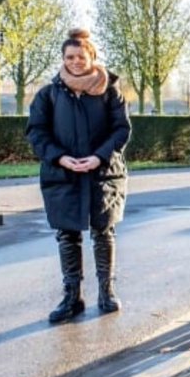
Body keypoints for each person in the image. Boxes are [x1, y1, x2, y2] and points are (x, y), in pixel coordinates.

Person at [27, 28, 132, 324]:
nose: (75, 61)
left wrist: (98, 156)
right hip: (63, 174)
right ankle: (72, 297)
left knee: (104, 231)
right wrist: (60, 157)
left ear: (92, 57)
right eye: (69, 57)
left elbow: (121, 129)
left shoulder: (111, 92)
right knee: (67, 235)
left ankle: (106, 291)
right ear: (63, 58)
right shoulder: (49, 95)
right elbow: (36, 131)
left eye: (80, 56)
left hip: (103, 173)